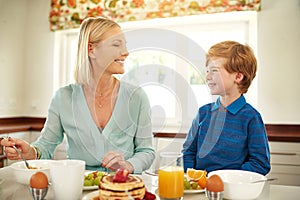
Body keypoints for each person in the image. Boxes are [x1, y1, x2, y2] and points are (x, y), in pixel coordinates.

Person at [0, 17, 155, 174]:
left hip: (123, 187)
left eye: (124, 45)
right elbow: (46, 145)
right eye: (116, 45)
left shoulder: (136, 97)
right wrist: (30, 152)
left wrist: (128, 165)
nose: (126, 52)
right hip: (80, 186)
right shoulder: (63, 97)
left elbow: (147, 151)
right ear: (91, 50)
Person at [182, 40, 270, 175]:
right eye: (207, 71)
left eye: (214, 71)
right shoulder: (203, 113)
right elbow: (188, 152)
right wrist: (190, 177)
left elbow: (260, 164)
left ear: (238, 76)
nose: (208, 77)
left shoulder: (251, 117)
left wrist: (226, 178)